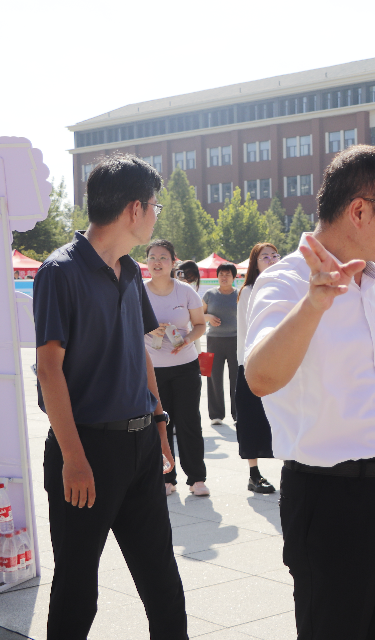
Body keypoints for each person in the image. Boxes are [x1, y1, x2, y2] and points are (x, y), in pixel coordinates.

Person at [244, 145, 375, 638]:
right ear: (360, 210)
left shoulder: (372, 279)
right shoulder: (285, 281)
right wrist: (314, 304)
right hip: (334, 503)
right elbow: (259, 377)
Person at [33, 153, 187, 638]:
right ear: (134, 209)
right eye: (155, 205)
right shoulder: (60, 271)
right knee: (77, 591)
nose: (157, 214)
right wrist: (74, 459)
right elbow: (48, 370)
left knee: (163, 584)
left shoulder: (129, 272)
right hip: (86, 449)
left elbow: (139, 351)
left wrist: (158, 421)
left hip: (140, 447)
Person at [144, 239, 209, 497]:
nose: (157, 262)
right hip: (152, 370)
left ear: (173, 262)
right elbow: (125, 326)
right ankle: (166, 477)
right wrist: (149, 330)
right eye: (152, 257)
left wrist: (187, 340)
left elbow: (200, 325)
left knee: (188, 422)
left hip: (185, 366)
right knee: (160, 424)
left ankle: (197, 479)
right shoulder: (138, 291)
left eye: (163, 257)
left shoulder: (185, 291)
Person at [234, 242, 281, 493]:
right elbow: (251, 330)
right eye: (265, 257)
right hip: (253, 363)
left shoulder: (285, 287)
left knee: (284, 417)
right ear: (255, 263)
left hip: (283, 362)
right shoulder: (249, 291)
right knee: (251, 419)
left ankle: (291, 467)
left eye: (275, 255)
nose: (271, 259)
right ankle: (254, 474)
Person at [203, 262, 239, 425]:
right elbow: (198, 315)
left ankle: (238, 414)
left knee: (237, 378)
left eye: (227, 274)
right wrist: (209, 317)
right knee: (213, 377)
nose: (224, 277)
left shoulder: (240, 294)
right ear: (217, 277)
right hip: (213, 341)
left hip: (236, 340)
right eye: (221, 274)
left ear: (234, 277)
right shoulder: (209, 294)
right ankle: (216, 415)